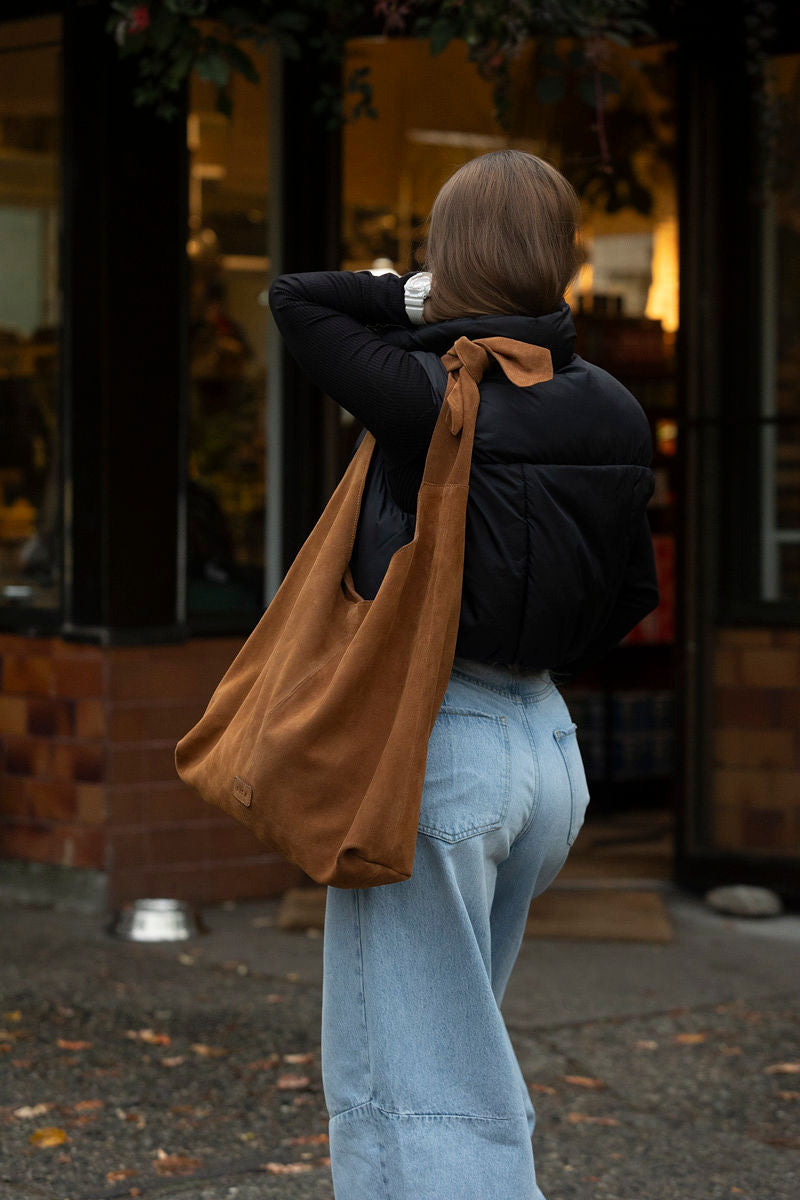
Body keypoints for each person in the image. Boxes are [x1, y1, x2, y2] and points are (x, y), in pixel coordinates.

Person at [268, 149, 659, 1200]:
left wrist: (412, 295)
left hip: (437, 754)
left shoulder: (431, 397)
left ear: (451, 258)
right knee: (419, 1062)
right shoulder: (615, 409)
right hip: (545, 751)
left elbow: (297, 299)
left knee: (424, 1093)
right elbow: (632, 593)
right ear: (559, 256)